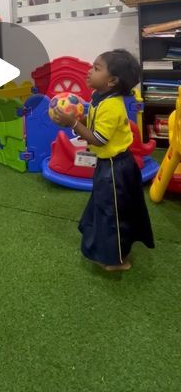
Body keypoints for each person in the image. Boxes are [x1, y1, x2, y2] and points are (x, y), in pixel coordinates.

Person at [52, 49, 154, 271]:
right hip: (107, 164)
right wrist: (78, 120)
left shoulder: (111, 106)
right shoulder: (99, 97)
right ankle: (103, 248)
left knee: (113, 213)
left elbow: (98, 139)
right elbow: (93, 127)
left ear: (112, 81)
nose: (89, 72)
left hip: (117, 168)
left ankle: (116, 260)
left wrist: (73, 123)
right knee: (102, 207)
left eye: (96, 68)